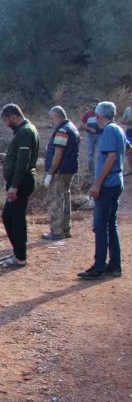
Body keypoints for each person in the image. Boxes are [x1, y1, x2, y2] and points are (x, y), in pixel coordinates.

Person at [77, 101, 124, 279]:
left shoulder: (109, 131)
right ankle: (114, 266)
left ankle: (99, 266)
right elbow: (127, 148)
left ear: (98, 116)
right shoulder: (117, 129)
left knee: (100, 226)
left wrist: (97, 183)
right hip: (116, 181)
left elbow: (111, 157)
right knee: (111, 225)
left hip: (108, 184)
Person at [0, 103, 39, 268]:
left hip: (21, 182)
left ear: (13, 117)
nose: (6, 123)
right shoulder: (25, 130)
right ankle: (17, 252)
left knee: (15, 218)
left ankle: (20, 257)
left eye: (6, 120)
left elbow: (23, 161)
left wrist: (14, 186)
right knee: (9, 216)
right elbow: (20, 156)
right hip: (20, 180)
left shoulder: (25, 132)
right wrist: (7, 157)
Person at [41, 106, 80, 240]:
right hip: (69, 170)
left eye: (51, 118)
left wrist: (50, 173)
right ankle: (65, 229)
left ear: (57, 116)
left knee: (55, 200)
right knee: (65, 198)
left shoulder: (62, 130)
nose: (51, 121)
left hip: (60, 171)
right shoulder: (72, 127)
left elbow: (58, 153)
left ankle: (57, 232)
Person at [80, 104, 101, 176]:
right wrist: (89, 129)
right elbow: (82, 124)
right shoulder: (87, 114)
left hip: (99, 135)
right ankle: (91, 170)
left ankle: (98, 170)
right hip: (90, 135)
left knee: (99, 152)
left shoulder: (101, 113)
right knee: (90, 154)